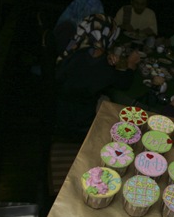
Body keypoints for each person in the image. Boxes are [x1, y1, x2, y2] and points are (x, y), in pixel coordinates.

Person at [55, 11, 140, 139]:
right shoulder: (102, 68)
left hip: (58, 111)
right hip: (78, 123)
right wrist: (131, 64)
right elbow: (124, 84)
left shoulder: (75, 50)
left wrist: (105, 55)